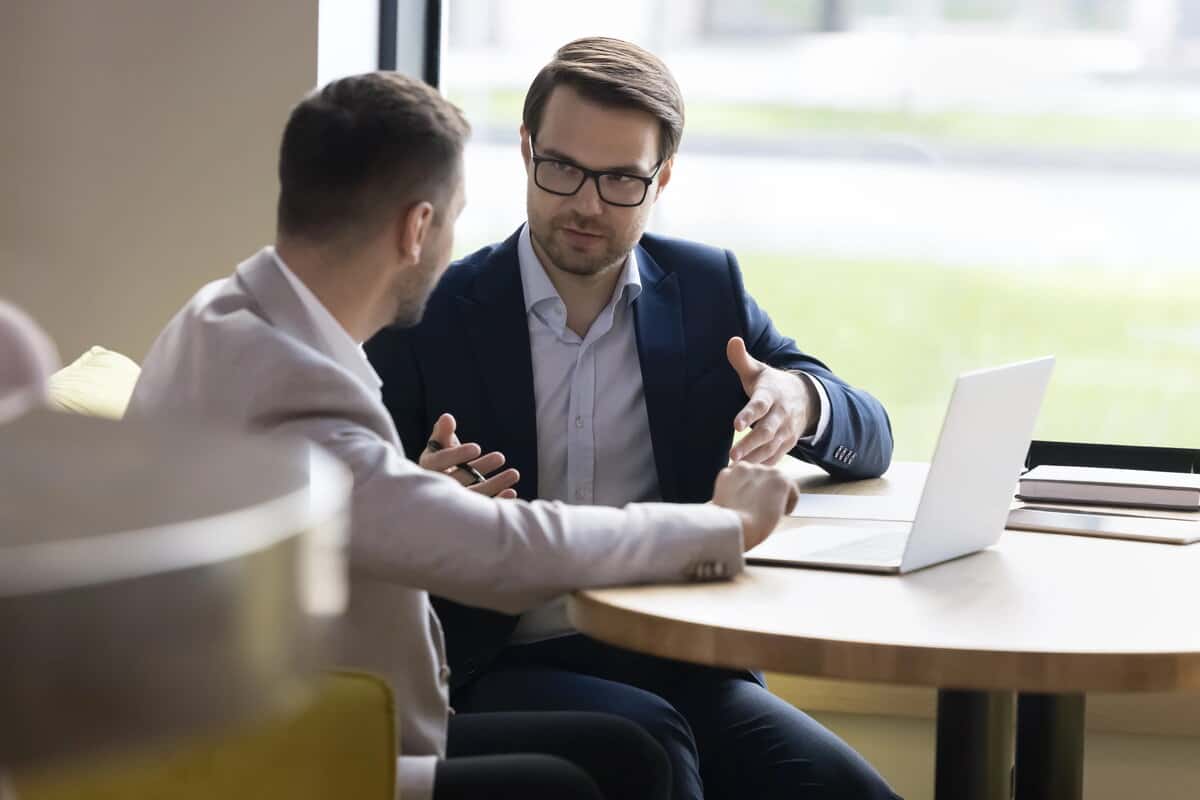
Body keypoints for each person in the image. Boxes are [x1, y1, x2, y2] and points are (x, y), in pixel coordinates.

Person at [125, 71, 799, 800]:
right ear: (418, 229)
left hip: (261, 710)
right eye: (453, 219)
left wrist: (410, 494)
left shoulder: (220, 317)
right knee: (598, 774)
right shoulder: (291, 382)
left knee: (632, 754)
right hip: (288, 751)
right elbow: (505, 551)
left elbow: (343, 520)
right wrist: (723, 525)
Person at [366, 38, 900, 800]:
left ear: (664, 179)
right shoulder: (429, 315)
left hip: (679, 655)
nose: (585, 203)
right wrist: (417, 495)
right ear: (525, 152)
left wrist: (800, 398)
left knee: (845, 790)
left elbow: (870, 436)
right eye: (563, 169)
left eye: (620, 179)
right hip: (500, 662)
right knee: (650, 748)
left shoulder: (706, 290)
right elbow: (348, 519)